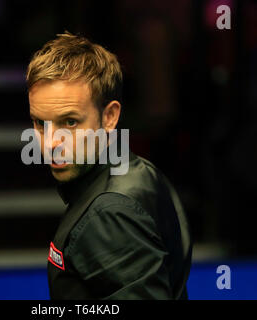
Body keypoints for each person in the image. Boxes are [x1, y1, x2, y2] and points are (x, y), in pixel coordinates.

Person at [26, 31, 192, 299]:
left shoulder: (110, 212)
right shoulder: (136, 169)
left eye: (70, 122)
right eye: (40, 123)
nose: (50, 143)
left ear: (109, 117)